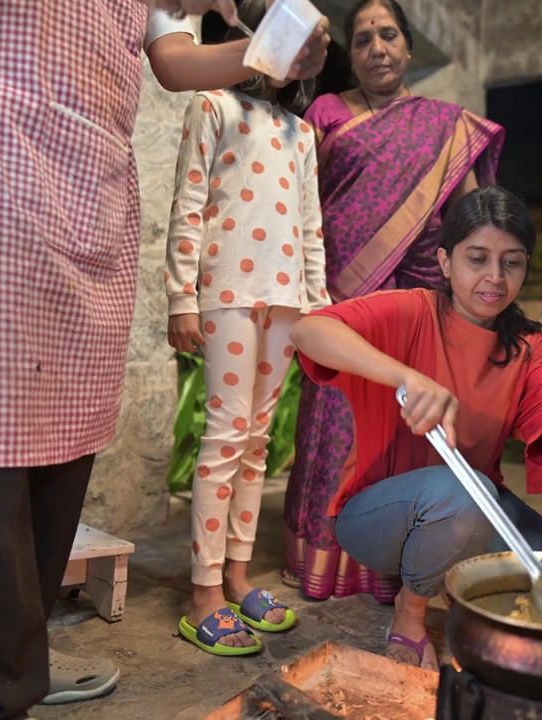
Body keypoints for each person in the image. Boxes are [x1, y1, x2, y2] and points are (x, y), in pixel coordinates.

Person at [0, 1, 329, 717]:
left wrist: (268, 51)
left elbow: (176, 61)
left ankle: (19, 662)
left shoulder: (284, 123)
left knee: (63, 450)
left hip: (88, 198)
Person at [287, 187, 542, 670]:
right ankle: (410, 612)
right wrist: (404, 376)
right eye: (477, 258)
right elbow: (307, 331)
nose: (495, 278)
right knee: (463, 491)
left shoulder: (530, 346)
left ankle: (451, 586)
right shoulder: (413, 310)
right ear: (445, 261)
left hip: (475, 509)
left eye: (512, 262)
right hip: (374, 517)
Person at [282, 0, 506, 603]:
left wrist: (481, 284)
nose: (376, 47)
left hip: (414, 305)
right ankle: (325, 558)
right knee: (334, 426)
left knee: (401, 432)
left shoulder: (447, 125)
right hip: (341, 299)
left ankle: (399, 562)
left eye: (387, 35)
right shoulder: (328, 113)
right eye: (361, 40)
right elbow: (304, 200)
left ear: (408, 47)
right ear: (349, 56)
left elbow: (469, 216)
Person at [163, 0, 329, 657]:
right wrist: (181, 297)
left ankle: (237, 576)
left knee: (259, 441)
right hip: (227, 292)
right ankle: (203, 589)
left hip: (287, 299)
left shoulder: (303, 133)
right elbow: (189, 204)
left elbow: (311, 226)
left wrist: (315, 303)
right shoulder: (211, 105)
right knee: (227, 435)